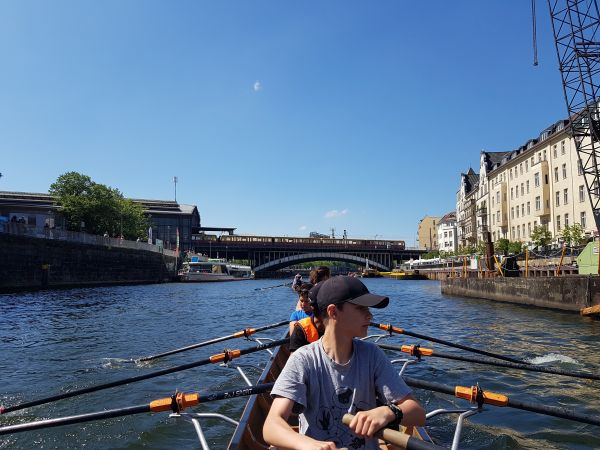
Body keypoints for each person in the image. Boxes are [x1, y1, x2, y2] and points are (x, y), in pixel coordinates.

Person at [264, 276, 426, 450]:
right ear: (333, 312)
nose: (370, 316)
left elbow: (418, 413)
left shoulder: (372, 355)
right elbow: (271, 426)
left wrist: (388, 412)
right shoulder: (303, 359)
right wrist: (310, 445)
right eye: (361, 308)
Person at [289, 281, 325, 352]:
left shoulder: (317, 314)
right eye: (301, 301)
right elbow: (292, 336)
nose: (303, 304)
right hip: (301, 345)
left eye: (306, 301)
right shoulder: (295, 315)